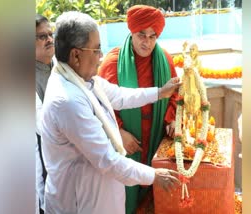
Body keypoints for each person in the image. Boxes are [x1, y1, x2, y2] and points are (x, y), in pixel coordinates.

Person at [40, 11, 181, 214]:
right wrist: (154, 176)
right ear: (76, 55)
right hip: (80, 203)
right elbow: (106, 159)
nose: (100, 56)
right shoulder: (67, 101)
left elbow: (120, 96)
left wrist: (160, 93)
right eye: (96, 50)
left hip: (99, 197)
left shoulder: (83, 79)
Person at [98, 5, 178, 213]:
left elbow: (175, 94)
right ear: (131, 32)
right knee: (127, 188)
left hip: (156, 137)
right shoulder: (113, 62)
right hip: (127, 139)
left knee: (155, 189)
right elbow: (103, 103)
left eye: (153, 36)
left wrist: (171, 119)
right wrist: (120, 132)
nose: (147, 42)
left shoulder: (164, 59)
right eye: (142, 35)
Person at [35, 13, 55, 214]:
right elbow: (41, 126)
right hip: (43, 155)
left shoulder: (61, 66)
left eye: (50, 34)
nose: (49, 39)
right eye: (42, 36)